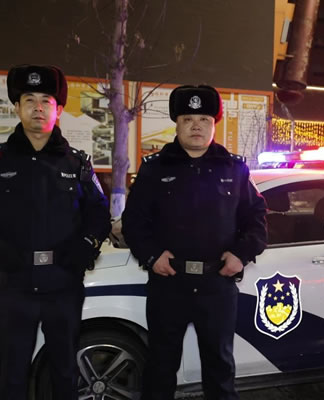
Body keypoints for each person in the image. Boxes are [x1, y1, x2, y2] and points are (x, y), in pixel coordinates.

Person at [0, 64, 111, 399]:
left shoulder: (77, 164)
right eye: (29, 100)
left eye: (46, 101)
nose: (38, 107)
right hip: (15, 287)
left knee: (65, 374)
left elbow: (99, 215)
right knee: (13, 377)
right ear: (17, 107)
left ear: (59, 109)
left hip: (63, 286)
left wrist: (87, 245)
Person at [122, 85, 267, 400]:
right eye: (188, 119)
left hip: (217, 285)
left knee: (220, 369)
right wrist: (151, 256)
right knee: (160, 369)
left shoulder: (234, 168)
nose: (196, 126)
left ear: (214, 124)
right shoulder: (155, 168)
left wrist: (241, 254)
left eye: (204, 119)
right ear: (177, 123)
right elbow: (133, 222)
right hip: (169, 285)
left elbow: (256, 219)